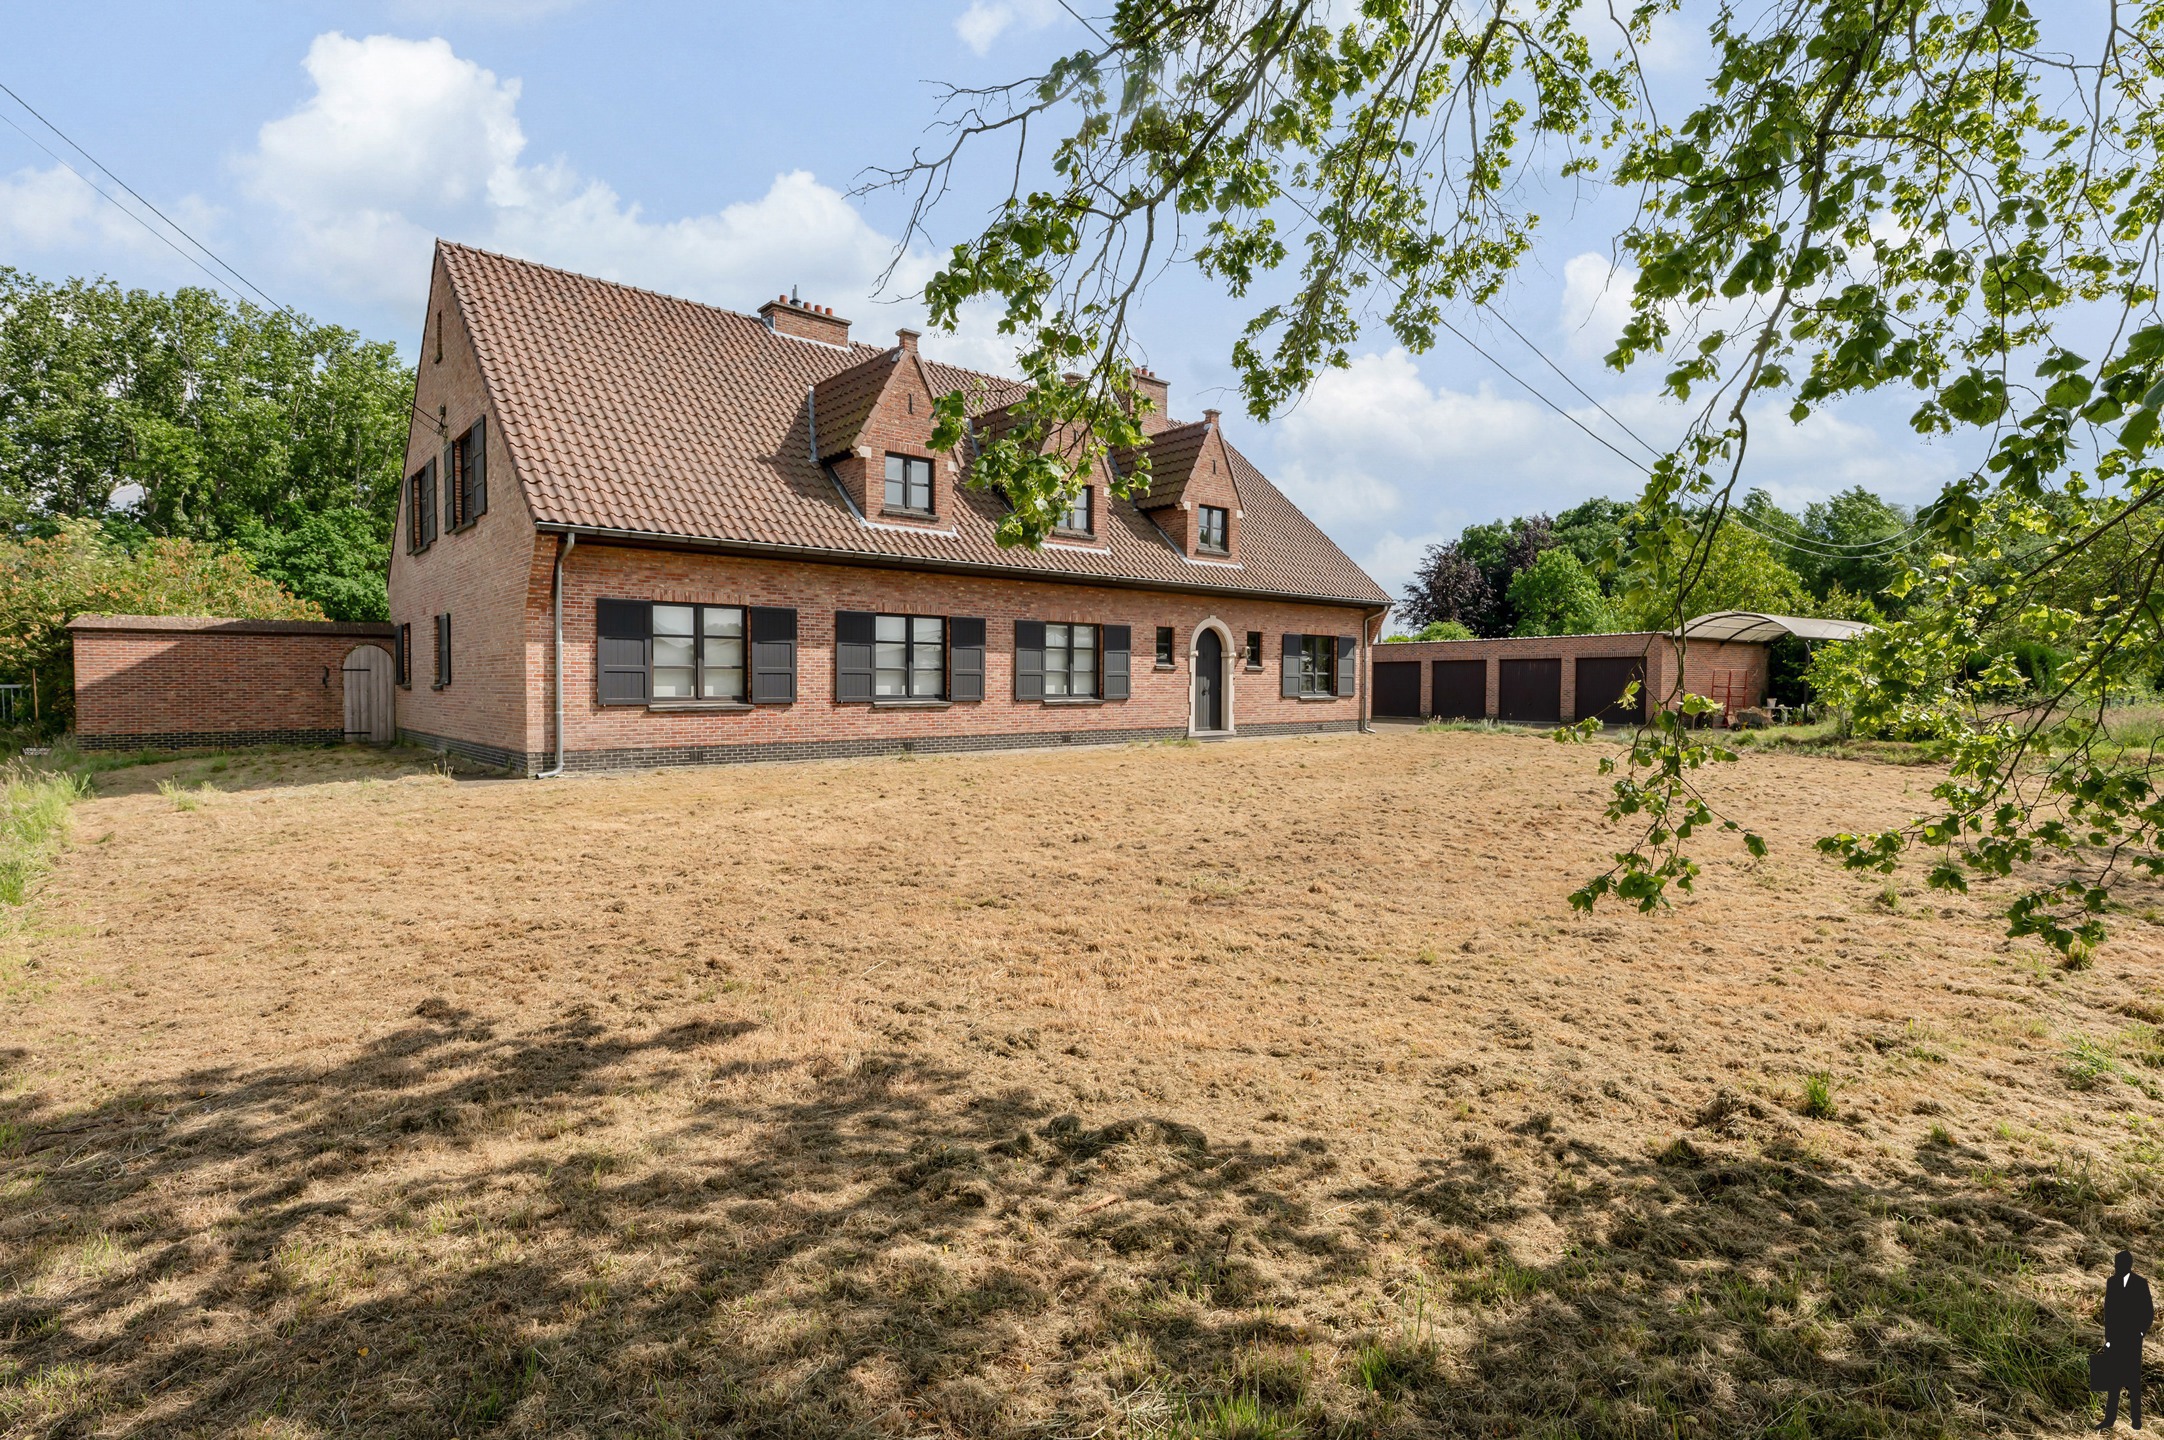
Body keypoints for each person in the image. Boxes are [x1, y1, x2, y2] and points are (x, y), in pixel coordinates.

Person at [2103, 1250, 2154, 1431]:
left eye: (2121, 1263)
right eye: (2116, 1263)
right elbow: (2108, 1313)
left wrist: (2140, 1332)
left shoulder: (2140, 1284)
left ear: (2129, 1264)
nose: (2117, 1267)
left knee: (2133, 1381)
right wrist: (2108, 1338)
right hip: (2115, 1340)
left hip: (2133, 1340)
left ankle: (2136, 1420)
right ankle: (2109, 1419)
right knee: (2113, 1381)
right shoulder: (2112, 1282)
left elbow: (2148, 1312)